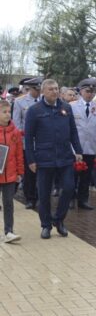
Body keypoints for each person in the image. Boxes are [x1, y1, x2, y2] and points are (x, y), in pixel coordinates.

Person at [25, 79, 83, 239]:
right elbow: (28, 138)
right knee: (44, 194)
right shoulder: (34, 110)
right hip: (44, 158)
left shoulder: (66, 107)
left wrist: (78, 150)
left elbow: (73, 131)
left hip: (65, 157)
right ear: (43, 91)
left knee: (69, 188)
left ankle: (59, 220)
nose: (55, 91)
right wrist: (30, 160)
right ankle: (46, 225)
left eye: (57, 88)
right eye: (51, 89)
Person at [70, 78, 96, 210]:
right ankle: (70, 199)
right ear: (81, 91)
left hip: (91, 148)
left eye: (92, 92)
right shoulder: (72, 107)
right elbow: (68, 129)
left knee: (86, 177)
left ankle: (83, 200)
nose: (90, 94)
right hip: (75, 149)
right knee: (72, 176)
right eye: (87, 91)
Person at [12, 77, 42, 209]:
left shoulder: (45, 100)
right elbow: (16, 124)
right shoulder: (20, 102)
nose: (39, 92)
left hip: (43, 143)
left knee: (42, 172)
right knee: (29, 173)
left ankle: (40, 196)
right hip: (27, 143)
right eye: (37, 89)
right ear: (31, 89)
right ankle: (30, 198)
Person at [0, 100, 24, 243]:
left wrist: (19, 173)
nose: (7, 114)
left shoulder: (15, 132)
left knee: (8, 203)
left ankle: (9, 231)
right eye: (4, 112)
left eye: (9, 112)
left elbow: (19, 154)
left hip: (10, 175)